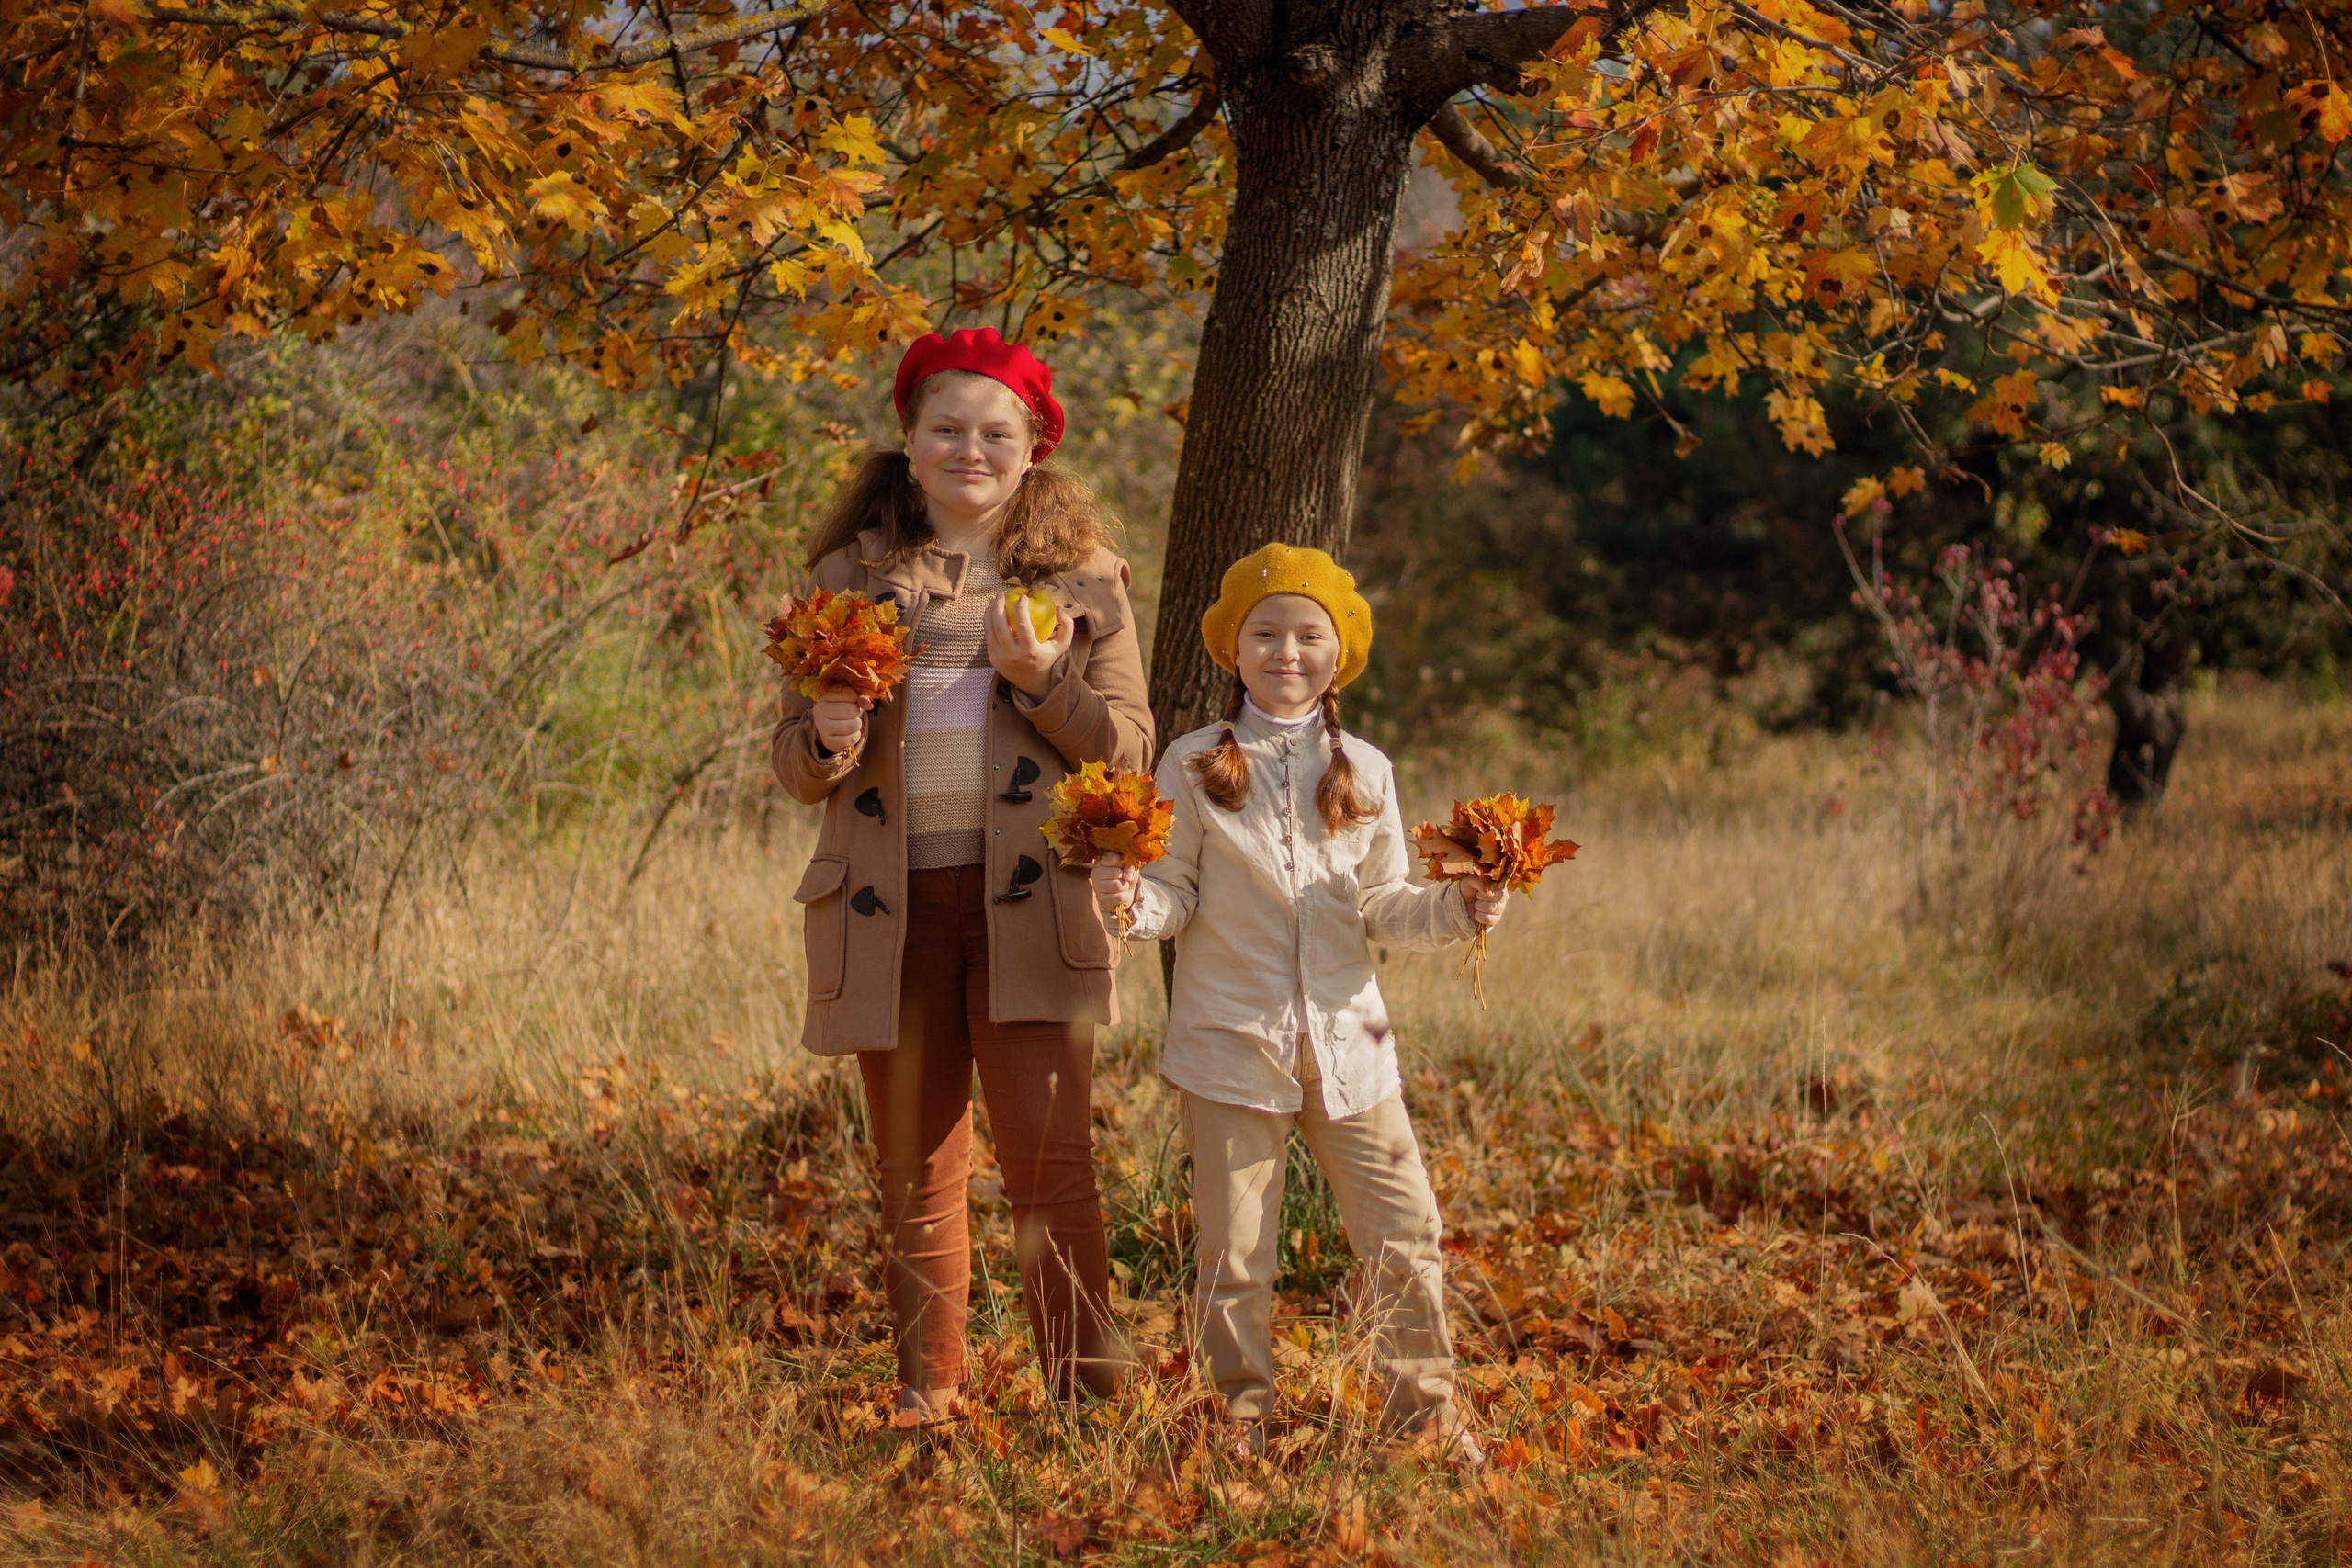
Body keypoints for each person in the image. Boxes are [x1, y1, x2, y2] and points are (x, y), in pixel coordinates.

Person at [771, 327, 1150, 1419]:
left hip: (1031, 909)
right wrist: (830, 736)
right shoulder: (847, 579)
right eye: (947, 428)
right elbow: (794, 766)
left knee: (1050, 1165)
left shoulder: (1087, 585)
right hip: (886, 915)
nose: (969, 449)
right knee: (913, 1169)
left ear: (1034, 446)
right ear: (908, 438)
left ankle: (1086, 1400)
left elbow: (1125, 751)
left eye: (996, 432)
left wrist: (1040, 684)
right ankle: (926, 1394)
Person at [1092, 543, 1507, 1468]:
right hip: (1229, 1043)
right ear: (1234, 651)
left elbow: (1386, 905)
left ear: (1338, 653)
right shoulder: (1193, 764)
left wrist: (1463, 906)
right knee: (1235, 1256)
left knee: (1405, 1233)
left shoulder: (1366, 768)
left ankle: (1425, 1420)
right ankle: (1238, 1423)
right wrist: (1128, 901)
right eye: (1266, 633)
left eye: (1307, 635)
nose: (1287, 651)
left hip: (1353, 1048)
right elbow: (1174, 896)